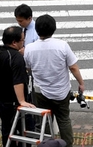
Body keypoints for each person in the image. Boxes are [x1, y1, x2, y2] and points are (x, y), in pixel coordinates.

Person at [24, 14, 85, 147]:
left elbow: (28, 69)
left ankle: (46, 144)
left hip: (40, 91)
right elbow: (73, 67)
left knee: (45, 120)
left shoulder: (29, 48)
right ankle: (67, 144)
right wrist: (81, 83)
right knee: (64, 119)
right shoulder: (62, 45)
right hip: (61, 90)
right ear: (54, 29)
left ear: (37, 30)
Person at [0, 26, 34, 145]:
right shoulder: (16, 57)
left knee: (7, 130)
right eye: (22, 40)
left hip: (0, 99)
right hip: (13, 103)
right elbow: (18, 81)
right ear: (14, 42)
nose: (23, 42)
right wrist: (22, 101)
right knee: (27, 130)